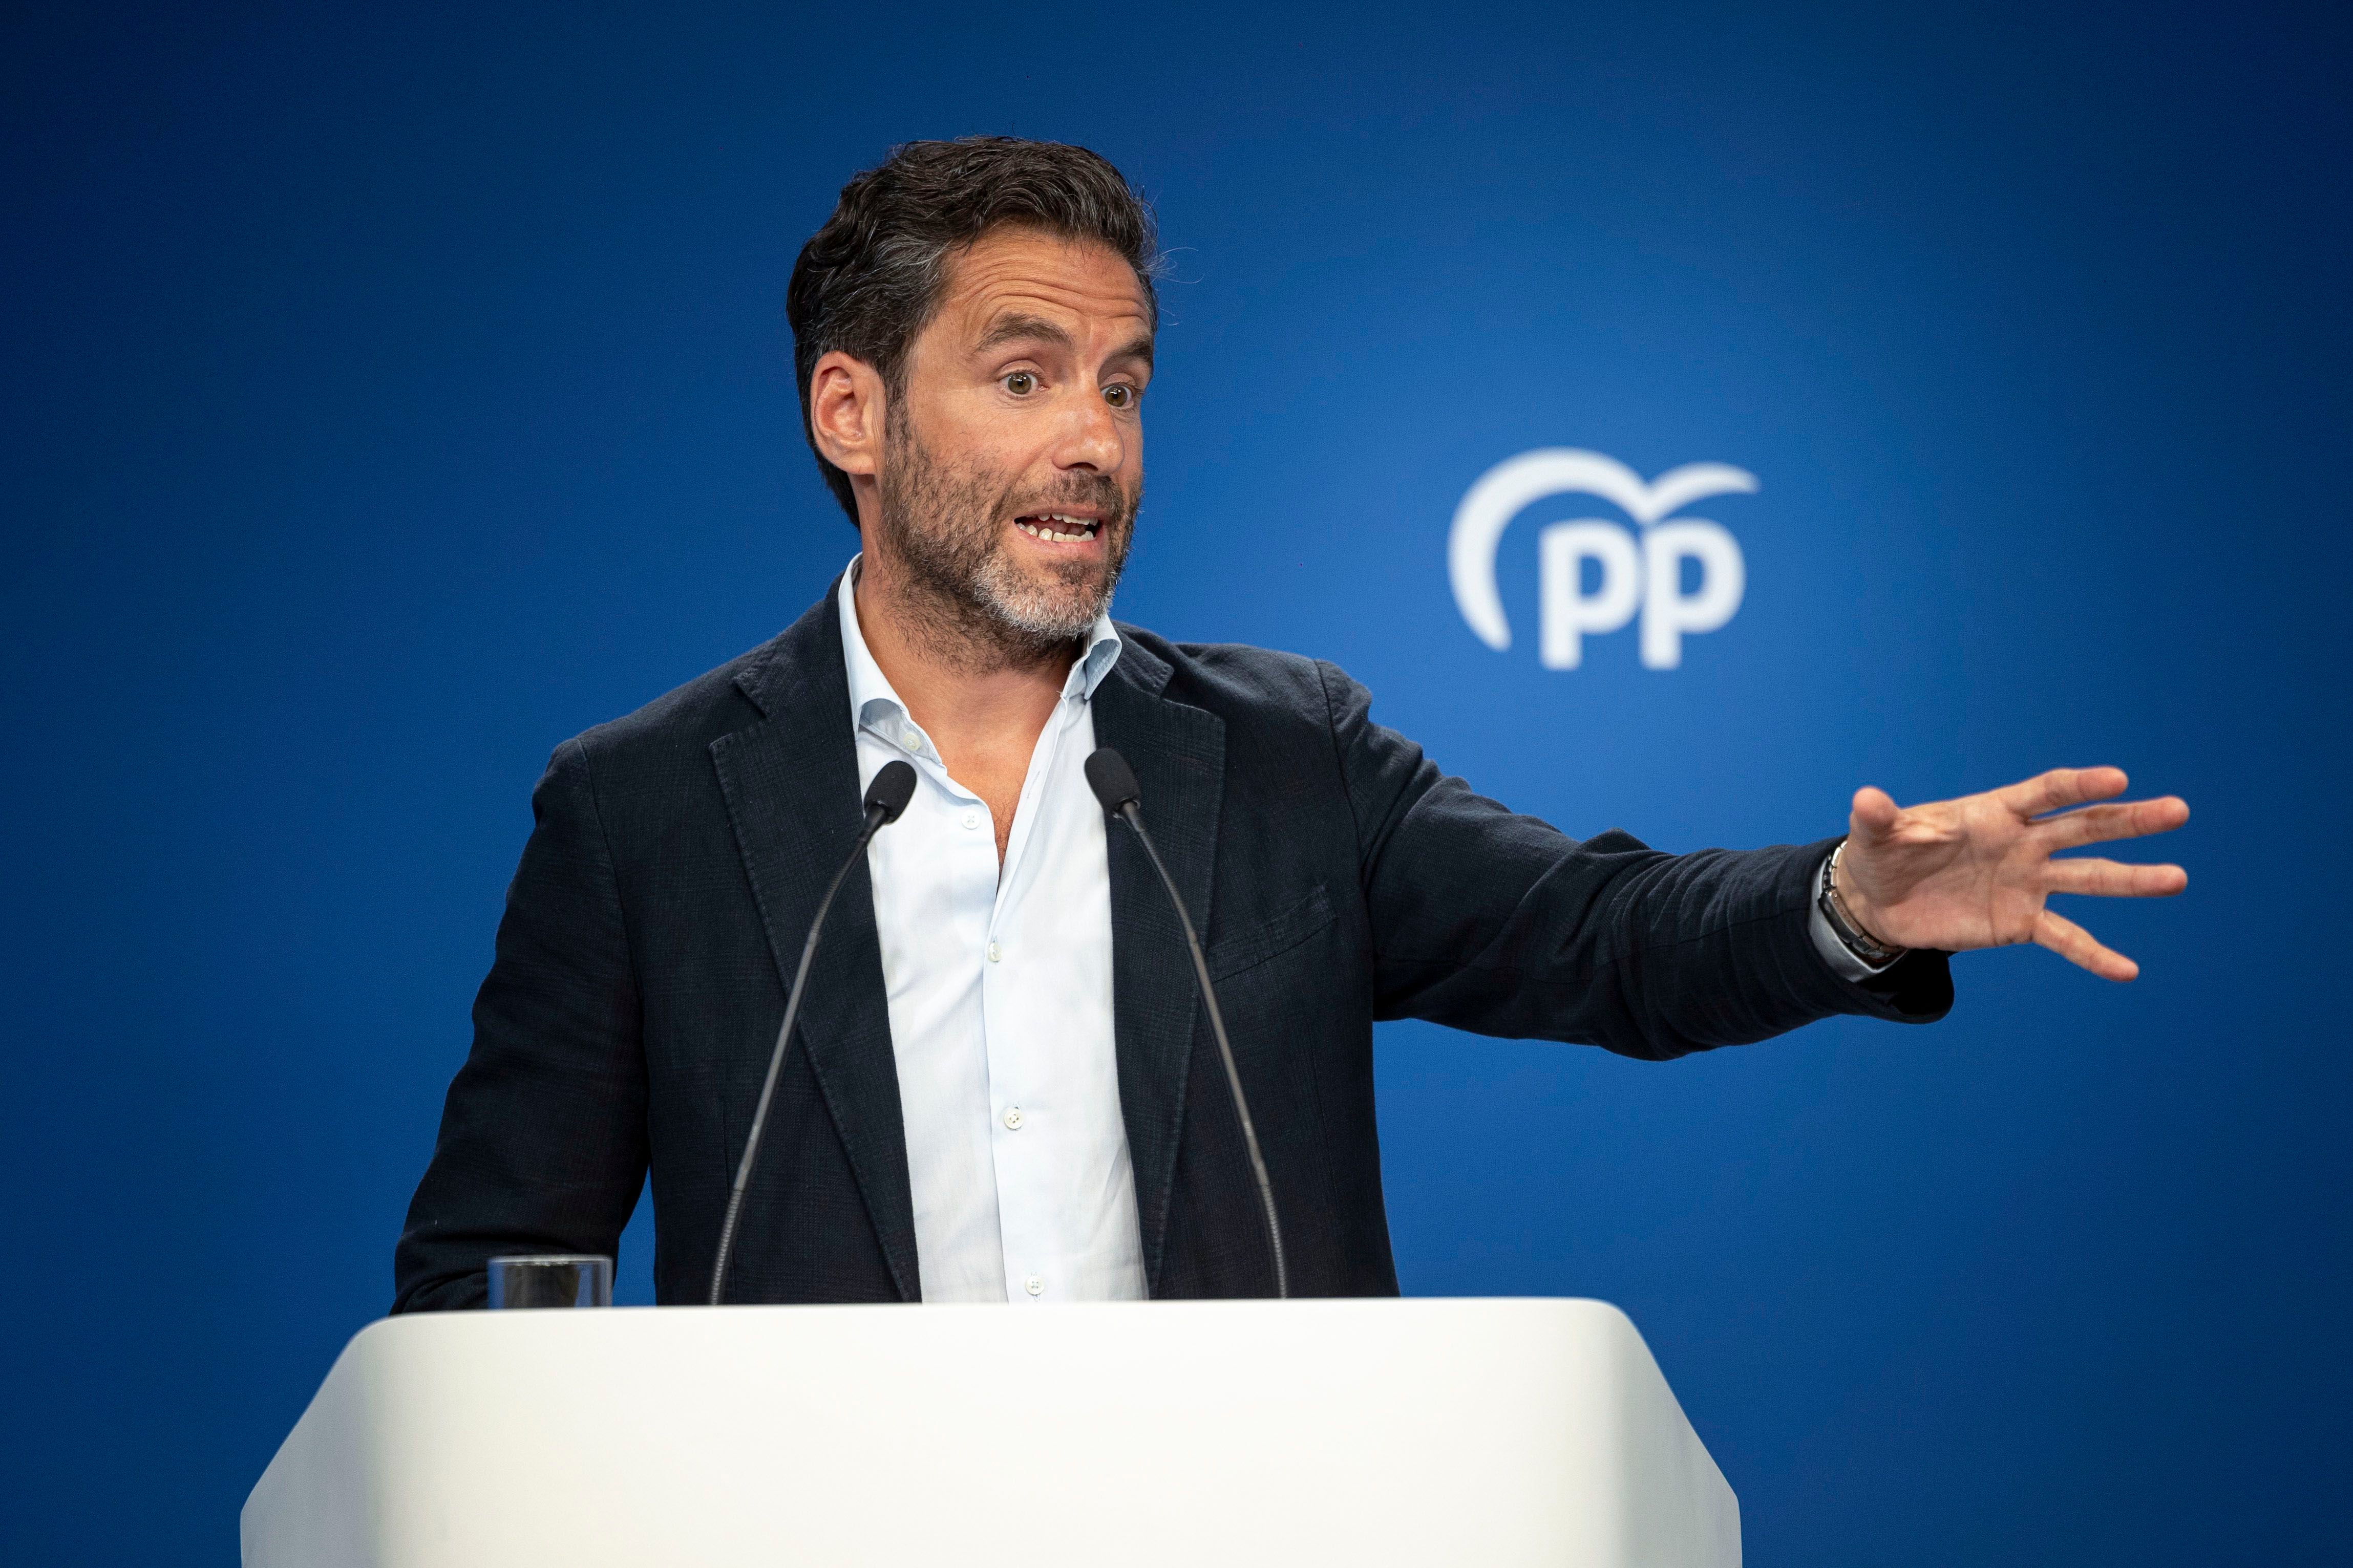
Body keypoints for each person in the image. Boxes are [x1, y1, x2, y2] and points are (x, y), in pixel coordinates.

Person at [393, 138, 2188, 1310]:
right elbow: (492, 1278)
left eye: (1121, 384)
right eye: (1023, 380)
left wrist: (1850, 908)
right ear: (851, 412)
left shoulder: (1279, 753)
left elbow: (1602, 942)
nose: (1092, 440)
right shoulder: (638, 811)